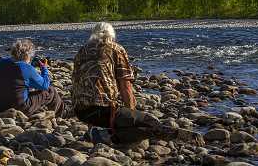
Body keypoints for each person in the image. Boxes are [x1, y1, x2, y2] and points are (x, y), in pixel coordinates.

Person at [72, 22, 204, 145]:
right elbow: (125, 86)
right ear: (112, 36)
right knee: (149, 123)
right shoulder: (115, 48)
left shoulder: (81, 51)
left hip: (81, 111)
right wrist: (131, 116)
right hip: (103, 111)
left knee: (122, 117)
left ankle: (96, 132)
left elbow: (81, 86)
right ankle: (185, 138)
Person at [0, 38, 66, 117]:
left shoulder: (0, 63)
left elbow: (16, 79)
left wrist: (30, 65)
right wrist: (44, 69)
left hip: (1, 107)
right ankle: (62, 114)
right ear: (27, 55)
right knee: (50, 91)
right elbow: (44, 85)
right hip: (20, 108)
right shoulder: (25, 68)